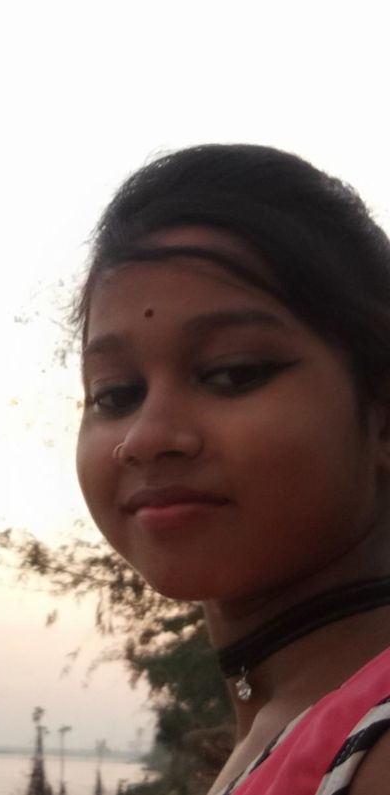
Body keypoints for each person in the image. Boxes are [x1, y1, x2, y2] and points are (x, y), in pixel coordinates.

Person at [75, 144, 390, 794]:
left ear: (382, 416)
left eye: (232, 373)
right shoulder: (289, 725)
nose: (146, 438)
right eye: (115, 393)